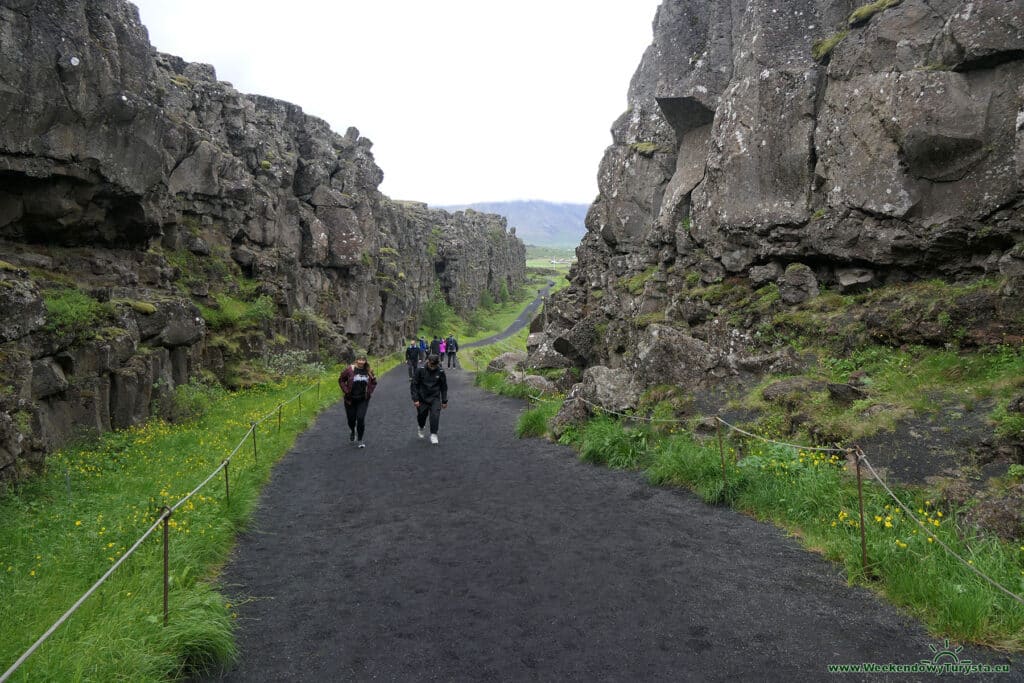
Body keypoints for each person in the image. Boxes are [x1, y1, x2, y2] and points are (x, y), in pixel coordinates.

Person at [338, 354, 377, 448]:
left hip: (363, 399)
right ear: (356, 360)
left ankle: (360, 440)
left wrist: (369, 392)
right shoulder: (349, 370)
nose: (361, 362)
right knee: (351, 420)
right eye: (359, 360)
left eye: (363, 360)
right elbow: (341, 380)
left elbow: (374, 382)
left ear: (365, 361)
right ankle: (352, 430)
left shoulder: (369, 371)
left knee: (360, 418)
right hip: (350, 400)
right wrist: (346, 391)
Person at [410, 353, 448, 445]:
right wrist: (415, 399)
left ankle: (434, 434)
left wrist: (444, 400)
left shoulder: (441, 371)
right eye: (431, 365)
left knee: (435, 415)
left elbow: (444, 387)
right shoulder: (420, 370)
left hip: (435, 397)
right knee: (421, 416)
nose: (433, 367)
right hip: (422, 398)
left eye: (434, 365)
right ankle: (421, 426)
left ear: (437, 363)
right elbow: (414, 385)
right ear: (428, 362)